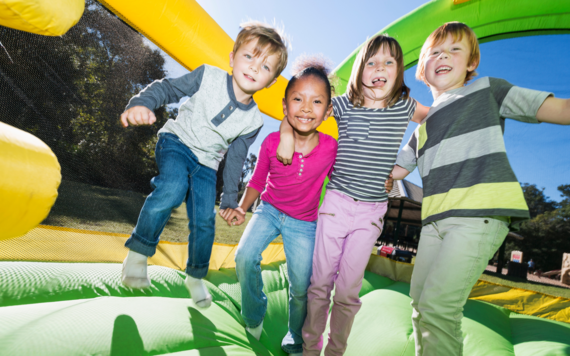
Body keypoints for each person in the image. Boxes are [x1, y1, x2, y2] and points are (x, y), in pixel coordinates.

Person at [390, 22, 570, 356]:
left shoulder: (488, 89)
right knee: (419, 304)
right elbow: (396, 171)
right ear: (423, 71)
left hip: (478, 216)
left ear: (471, 63)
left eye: (454, 50)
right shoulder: (422, 127)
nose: (443, 56)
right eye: (434, 53)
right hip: (434, 224)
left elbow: (560, 109)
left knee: (439, 306)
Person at [118, 21, 289, 309]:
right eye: (249, 57)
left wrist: (230, 200)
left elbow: (235, 160)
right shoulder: (207, 76)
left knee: (204, 222)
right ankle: (137, 254)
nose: (253, 68)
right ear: (233, 57)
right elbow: (169, 89)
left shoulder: (253, 121)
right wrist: (143, 102)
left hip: (206, 166)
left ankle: (195, 276)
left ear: (271, 82)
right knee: (172, 187)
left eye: (265, 67)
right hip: (176, 142)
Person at [278, 35, 429, 355]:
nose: (380, 68)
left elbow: (437, 117)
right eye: (372, 61)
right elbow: (305, 112)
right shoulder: (344, 104)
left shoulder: (405, 106)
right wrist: (287, 135)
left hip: (371, 212)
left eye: (389, 62)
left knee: (347, 292)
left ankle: (334, 351)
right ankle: (309, 348)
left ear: (399, 70)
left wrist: (406, 161)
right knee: (319, 286)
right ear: (361, 70)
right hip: (336, 204)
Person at [219, 57, 337, 356]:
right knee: (245, 256)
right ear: (285, 107)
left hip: (304, 223)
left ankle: (295, 339)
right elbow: (257, 181)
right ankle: (254, 314)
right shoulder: (272, 142)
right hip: (269, 209)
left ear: (327, 111)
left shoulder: (330, 148)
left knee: (300, 288)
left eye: (316, 101)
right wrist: (243, 208)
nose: (306, 108)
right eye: (297, 99)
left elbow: (345, 178)